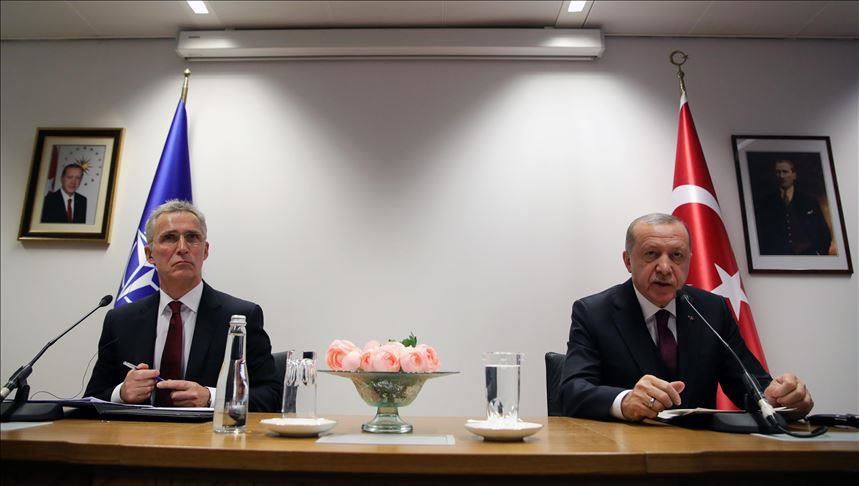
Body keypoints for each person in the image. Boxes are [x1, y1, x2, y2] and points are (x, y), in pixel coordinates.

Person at [560, 213, 814, 422]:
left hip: (702, 453)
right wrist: (624, 401)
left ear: (689, 261)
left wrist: (780, 398)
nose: (664, 268)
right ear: (628, 261)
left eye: (676, 256)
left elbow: (748, 384)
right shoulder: (594, 312)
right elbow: (572, 391)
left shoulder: (712, 309)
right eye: (651, 254)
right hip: (627, 451)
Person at [85, 200, 281, 411]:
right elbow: (91, 399)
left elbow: (272, 396)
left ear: (205, 251)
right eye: (169, 238)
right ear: (149, 254)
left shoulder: (241, 316)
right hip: (139, 431)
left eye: (192, 238)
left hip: (208, 432)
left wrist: (211, 397)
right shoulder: (121, 320)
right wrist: (121, 393)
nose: (182, 248)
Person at [754, 159, 832, 255]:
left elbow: (824, 232)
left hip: (808, 255)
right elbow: (760, 234)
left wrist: (819, 253)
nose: (781, 176)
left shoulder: (809, 201)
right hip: (777, 257)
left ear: (794, 175)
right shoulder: (765, 203)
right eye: (778, 172)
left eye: (785, 172)